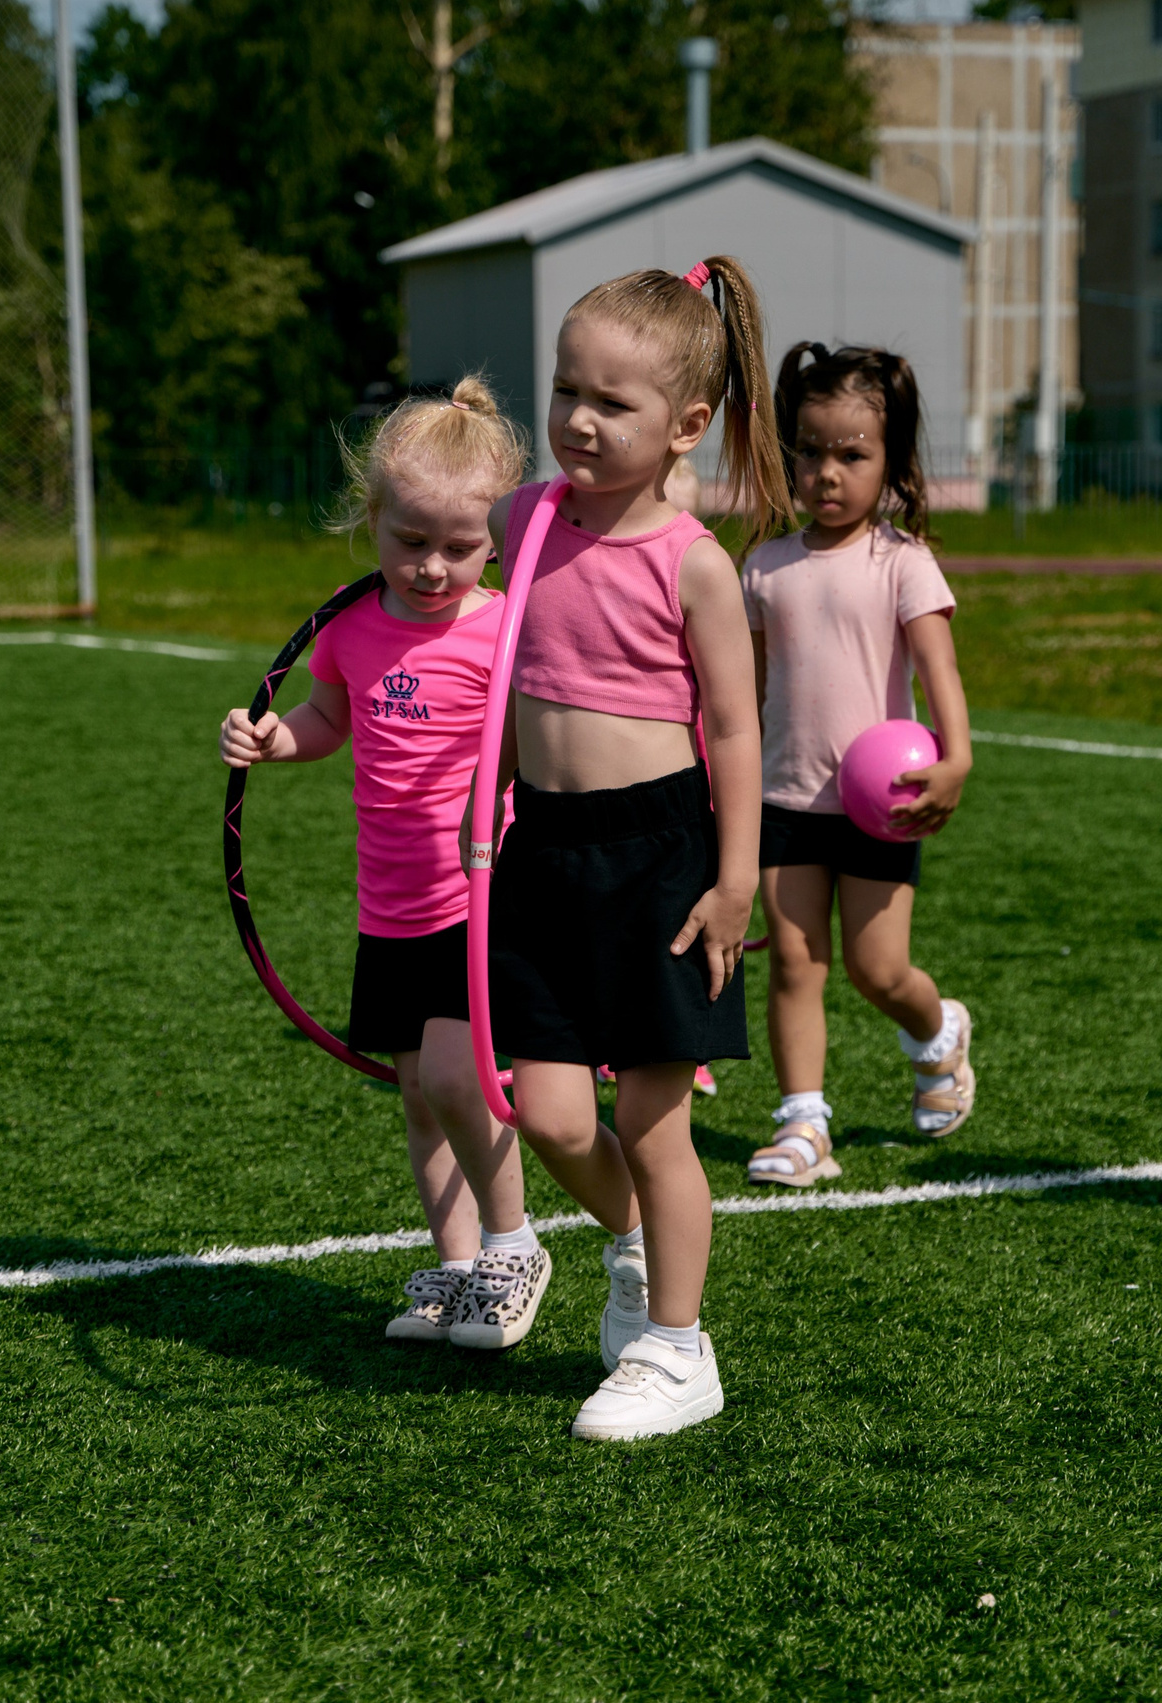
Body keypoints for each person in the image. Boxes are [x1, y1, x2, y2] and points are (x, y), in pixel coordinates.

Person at [478, 257, 790, 1440]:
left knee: (657, 1122)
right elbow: (507, 652)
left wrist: (734, 879)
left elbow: (734, 730)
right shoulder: (526, 520)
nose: (578, 420)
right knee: (552, 1115)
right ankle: (633, 1244)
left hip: (661, 855)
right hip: (541, 850)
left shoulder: (693, 561)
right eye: (566, 390)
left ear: (687, 425)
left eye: (613, 403)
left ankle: (677, 1345)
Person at [217, 377, 551, 1350]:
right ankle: (456, 1264)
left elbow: (544, 749)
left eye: (460, 546)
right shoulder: (353, 626)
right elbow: (327, 718)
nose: (433, 567)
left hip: (479, 894)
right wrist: (272, 738)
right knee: (417, 1093)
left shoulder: (503, 631)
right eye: (411, 542)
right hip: (389, 901)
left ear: (496, 544)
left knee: (456, 1074)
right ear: (372, 521)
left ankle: (513, 1244)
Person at [737, 343, 978, 1189]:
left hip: (885, 804)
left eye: (852, 454)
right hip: (786, 801)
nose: (827, 473)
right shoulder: (763, 568)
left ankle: (938, 1033)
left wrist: (956, 759)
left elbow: (939, 671)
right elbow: (746, 696)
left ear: (891, 462)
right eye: (810, 452)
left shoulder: (903, 561)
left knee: (879, 971)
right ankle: (803, 1122)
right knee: (793, 963)